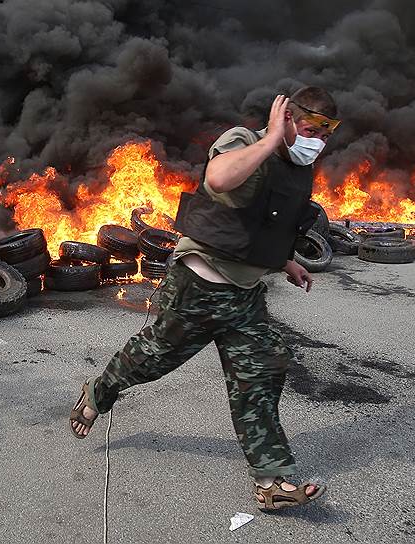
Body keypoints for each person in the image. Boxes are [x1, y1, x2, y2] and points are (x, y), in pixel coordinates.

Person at [69, 86, 340, 512]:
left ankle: (272, 481)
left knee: (263, 372)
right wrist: (270, 140)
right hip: (199, 286)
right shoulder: (245, 141)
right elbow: (218, 179)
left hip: (245, 297)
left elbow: (269, 224)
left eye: (324, 136)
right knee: (151, 358)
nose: (316, 143)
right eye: (308, 130)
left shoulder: (296, 171)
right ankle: (98, 392)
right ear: (286, 118)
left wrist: (287, 261)